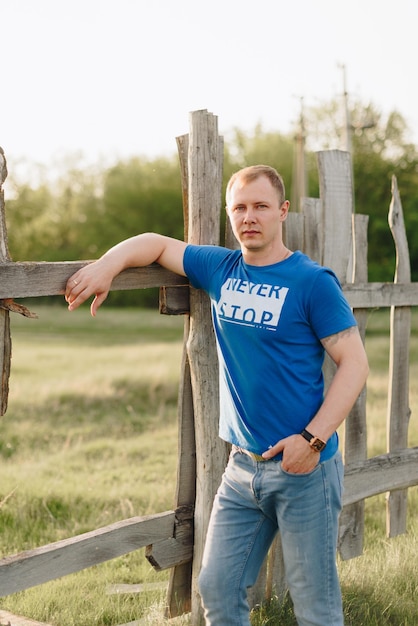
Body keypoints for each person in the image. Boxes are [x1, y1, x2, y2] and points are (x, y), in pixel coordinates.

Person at [65, 165, 369, 626]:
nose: (250, 217)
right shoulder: (222, 269)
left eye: (261, 206)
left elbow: (356, 364)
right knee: (217, 589)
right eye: (240, 208)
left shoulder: (311, 282)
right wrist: (109, 264)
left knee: (316, 607)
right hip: (243, 468)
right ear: (231, 215)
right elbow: (158, 244)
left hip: (304, 468)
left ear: (282, 212)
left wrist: (312, 441)